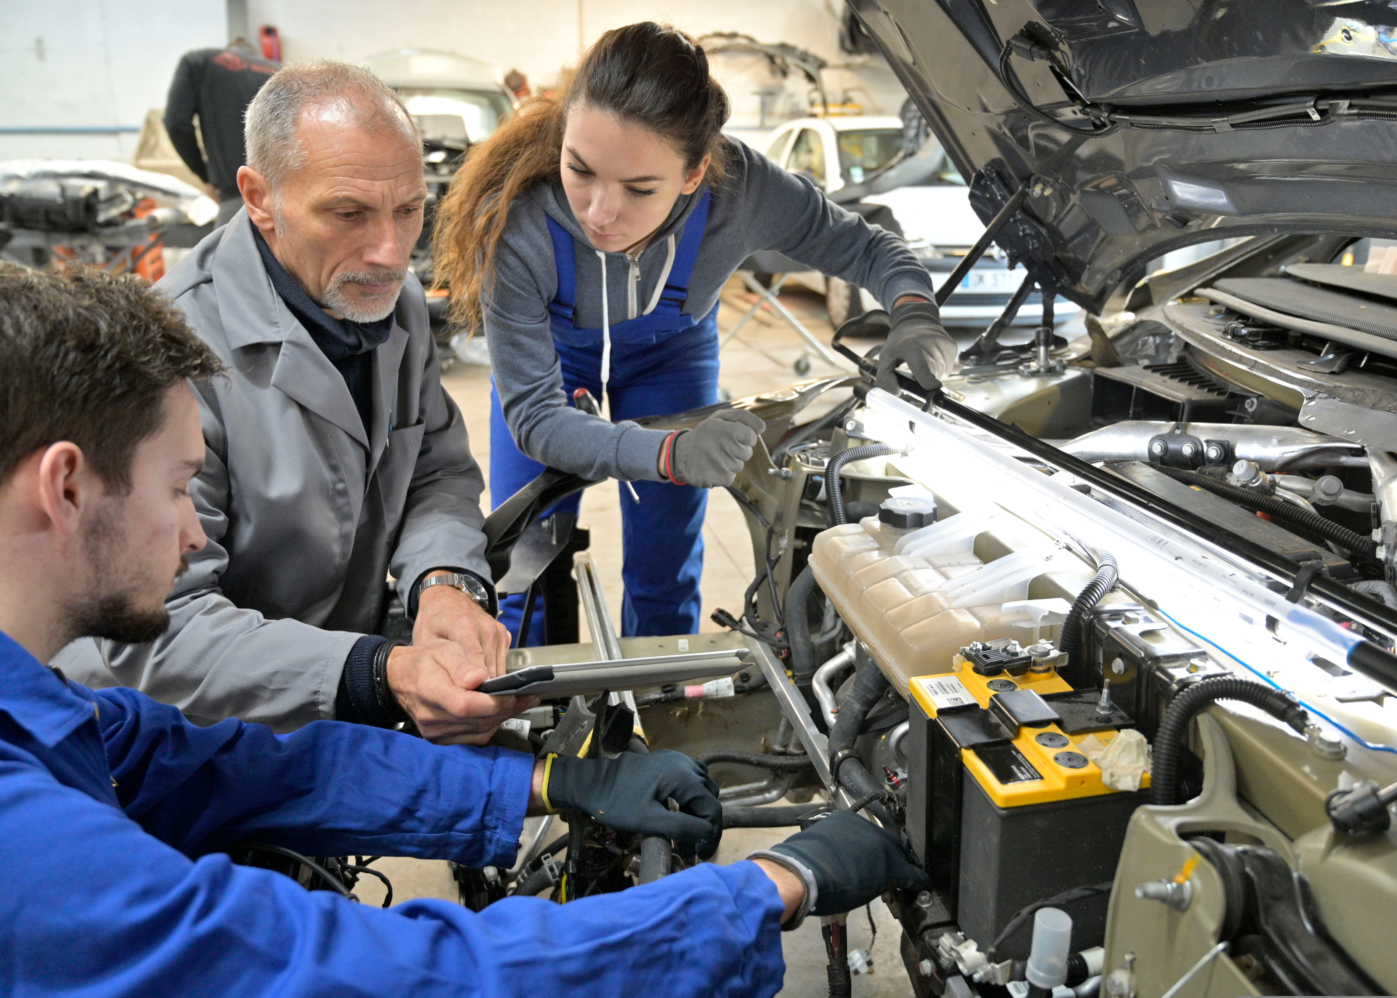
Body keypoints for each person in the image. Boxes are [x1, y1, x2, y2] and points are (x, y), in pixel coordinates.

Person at [0, 262, 928, 996]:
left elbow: (254, 768)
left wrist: (552, 780)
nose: (198, 531)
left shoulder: (46, 711)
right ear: (67, 486)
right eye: (176, 489)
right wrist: (763, 889)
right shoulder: (29, 850)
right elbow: (389, 975)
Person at [434, 23, 958, 645]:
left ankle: (662, 708)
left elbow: (869, 247)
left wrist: (916, 311)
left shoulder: (744, 191)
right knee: (524, 561)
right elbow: (538, 420)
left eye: (639, 189)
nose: (600, 211)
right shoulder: (519, 222)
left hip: (670, 359)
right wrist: (668, 452)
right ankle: (526, 715)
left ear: (694, 173)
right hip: (553, 360)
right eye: (581, 170)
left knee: (664, 566)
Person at [56, 61, 522, 743]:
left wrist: (444, 581)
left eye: (409, 209)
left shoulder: (400, 307)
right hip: (184, 730)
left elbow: (436, 471)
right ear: (259, 196)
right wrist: (373, 672)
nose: (393, 252)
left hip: (340, 671)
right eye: (348, 213)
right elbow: (158, 625)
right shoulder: (162, 356)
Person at [163, 39, 280, 226]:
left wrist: (205, 176)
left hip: (237, 197)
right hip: (286, 197)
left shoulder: (198, 62)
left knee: (232, 253)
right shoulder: (280, 71)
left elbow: (176, 123)